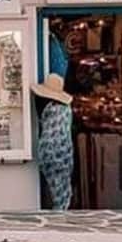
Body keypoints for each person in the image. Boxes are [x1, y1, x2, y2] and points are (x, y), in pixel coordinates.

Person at [33, 73, 74, 211]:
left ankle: (57, 213)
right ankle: (61, 212)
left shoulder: (43, 104)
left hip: (48, 149)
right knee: (62, 188)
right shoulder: (65, 109)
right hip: (63, 150)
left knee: (52, 187)